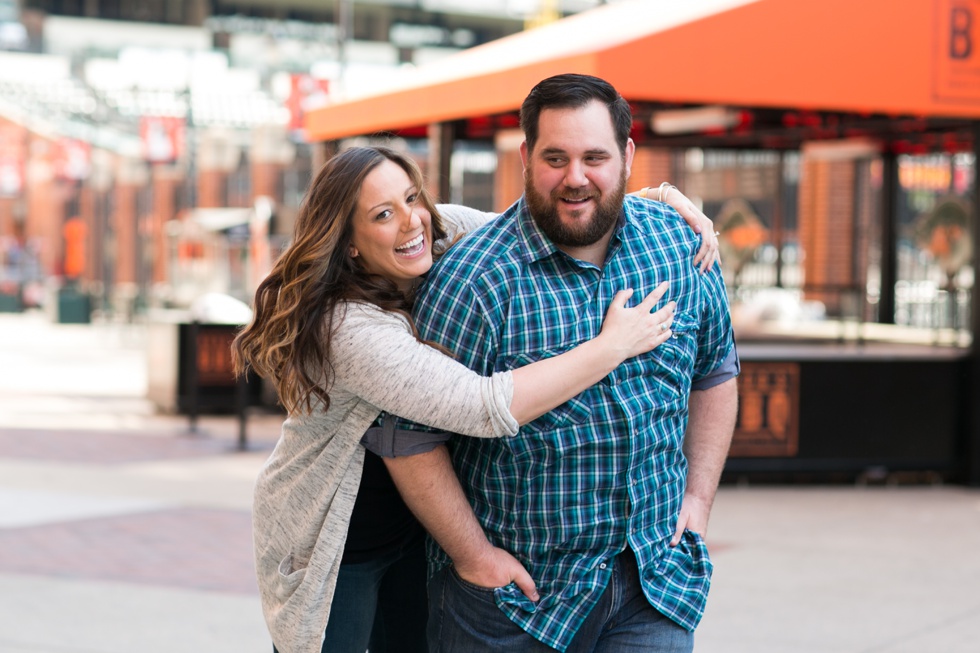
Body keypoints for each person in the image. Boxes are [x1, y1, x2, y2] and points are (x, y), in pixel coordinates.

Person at [231, 144, 719, 653]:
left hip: (417, 531)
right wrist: (611, 347)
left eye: (411, 197)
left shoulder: (437, 231)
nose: (410, 222)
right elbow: (482, 404)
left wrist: (654, 200)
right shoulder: (346, 326)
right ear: (349, 242)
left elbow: (543, 221)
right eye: (382, 214)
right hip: (338, 542)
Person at [384, 73, 740, 653]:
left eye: (595, 157)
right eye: (556, 157)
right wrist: (474, 557)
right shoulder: (474, 279)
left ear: (627, 156)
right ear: (526, 157)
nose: (576, 178)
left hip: (654, 590)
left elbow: (716, 370)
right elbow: (409, 438)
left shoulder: (681, 247)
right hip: (512, 606)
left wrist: (697, 503)